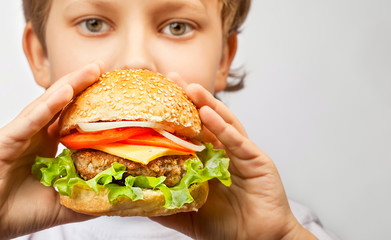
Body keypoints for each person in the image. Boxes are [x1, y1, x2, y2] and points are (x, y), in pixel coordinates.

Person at [0, 0, 336, 239]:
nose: (135, 60)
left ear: (223, 59)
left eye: (177, 27)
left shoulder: (288, 225)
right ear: (40, 55)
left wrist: (276, 238)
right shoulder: (12, 225)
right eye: (94, 23)